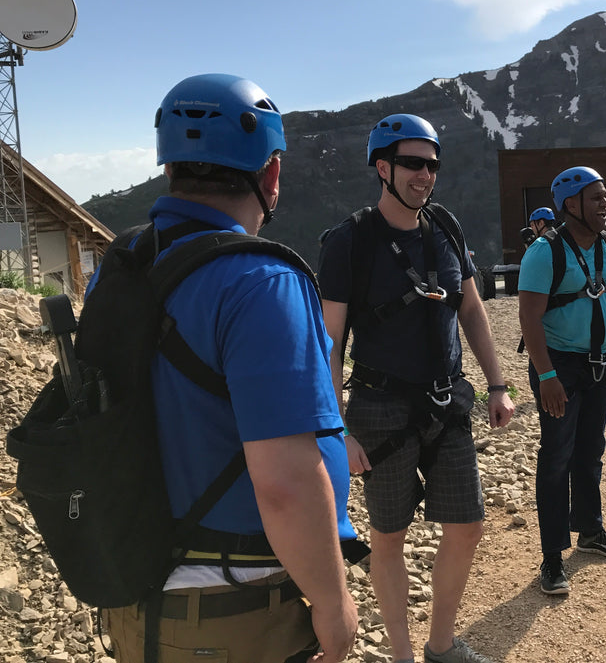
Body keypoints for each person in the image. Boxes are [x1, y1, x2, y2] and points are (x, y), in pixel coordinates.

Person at [100, 73, 359, 663]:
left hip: (138, 592)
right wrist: (332, 601)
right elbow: (285, 482)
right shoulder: (261, 282)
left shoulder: (122, 265)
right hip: (237, 613)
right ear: (269, 175)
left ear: (169, 170)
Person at [317, 114, 514, 663]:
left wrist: (497, 384)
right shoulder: (350, 242)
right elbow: (330, 343)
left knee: (468, 526)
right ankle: (402, 654)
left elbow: (470, 309)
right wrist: (337, 429)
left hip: (446, 400)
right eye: (411, 164)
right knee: (389, 537)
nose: (424, 175)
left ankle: (441, 644)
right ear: (382, 167)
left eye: (431, 165)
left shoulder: (446, 228)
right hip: (378, 410)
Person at [517, 166, 606, 596]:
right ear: (571, 205)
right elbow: (529, 317)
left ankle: (590, 530)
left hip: (598, 364)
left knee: (590, 451)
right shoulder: (544, 251)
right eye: (596, 198)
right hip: (559, 368)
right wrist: (547, 375)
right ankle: (553, 555)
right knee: (556, 456)